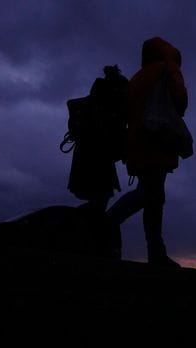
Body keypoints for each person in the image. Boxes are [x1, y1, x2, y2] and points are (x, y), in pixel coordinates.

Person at [105, 37, 188, 268]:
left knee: (152, 196)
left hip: (138, 141)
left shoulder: (138, 77)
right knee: (151, 196)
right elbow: (181, 101)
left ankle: (156, 252)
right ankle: (107, 223)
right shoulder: (167, 69)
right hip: (158, 140)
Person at [66, 65, 128, 258]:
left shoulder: (97, 98)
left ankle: (87, 239)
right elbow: (111, 135)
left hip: (89, 156)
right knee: (100, 201)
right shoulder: (107, 103)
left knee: (99, 201)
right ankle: (93, 242)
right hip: (97, 157)